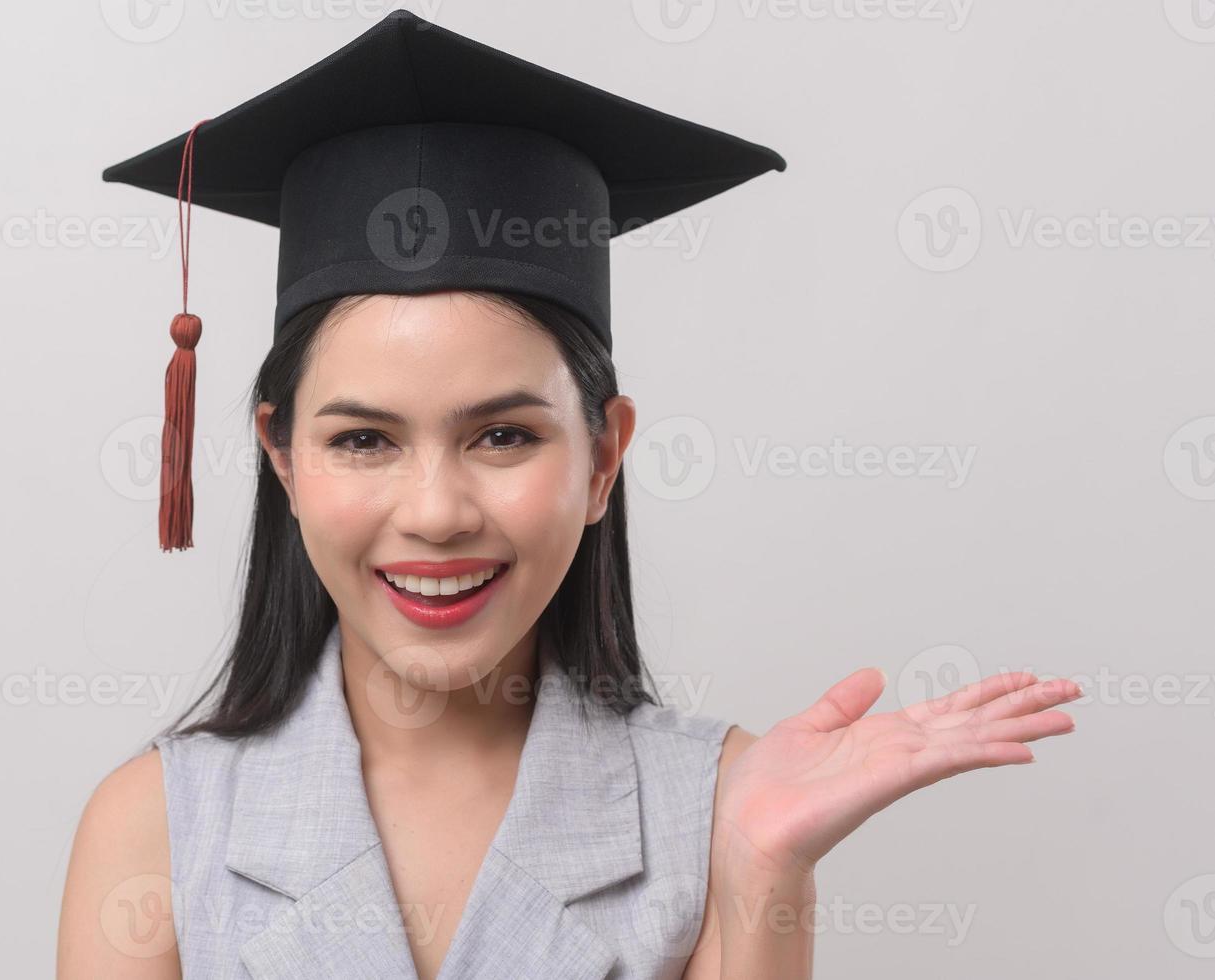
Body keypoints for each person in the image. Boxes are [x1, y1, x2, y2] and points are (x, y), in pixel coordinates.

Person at [57, 12, 1079, 979]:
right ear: (279, 456)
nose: (437, 509)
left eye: (503, 434)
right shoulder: (157, 824)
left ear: (602, 457)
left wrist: (764, 872)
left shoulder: (717, 805)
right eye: (363, 438)